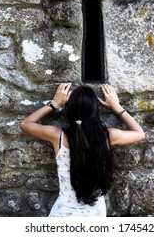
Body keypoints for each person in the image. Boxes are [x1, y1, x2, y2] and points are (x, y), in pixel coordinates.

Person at [20, 83, 145, 217]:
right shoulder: (109, 136)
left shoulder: (58, 137)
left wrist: (54, 103)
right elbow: (140, 133)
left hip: (62, 214)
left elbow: (25, 124)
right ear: (96, 111)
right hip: (96, 215)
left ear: (69, 110)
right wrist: (117, 107)